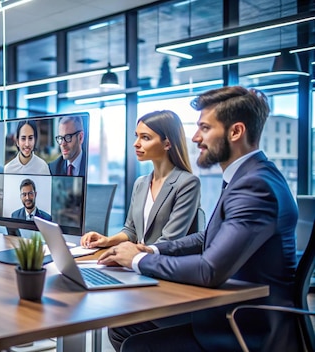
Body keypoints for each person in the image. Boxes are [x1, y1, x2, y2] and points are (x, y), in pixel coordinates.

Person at [102, 86, 300, 352]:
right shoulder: (247, 176)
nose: (195, 138)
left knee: (138, 345)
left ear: (236, 132)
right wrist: (150, 248)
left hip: (244, 325)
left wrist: (137, 260)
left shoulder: (256, 186)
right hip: (223, 308)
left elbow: (210, 270)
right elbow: (208, 237)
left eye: (205, 128)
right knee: (121, 326)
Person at [81, 110, 200, 248]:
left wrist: (132, 254)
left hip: (163, 264)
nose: (136, 143)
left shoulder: (187, 183)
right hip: (138, 262)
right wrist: (107, 241)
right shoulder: (141, 183)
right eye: (137, 136)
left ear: (167, 144)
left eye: (145, 137)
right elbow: (130, 231)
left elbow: (169, 241)